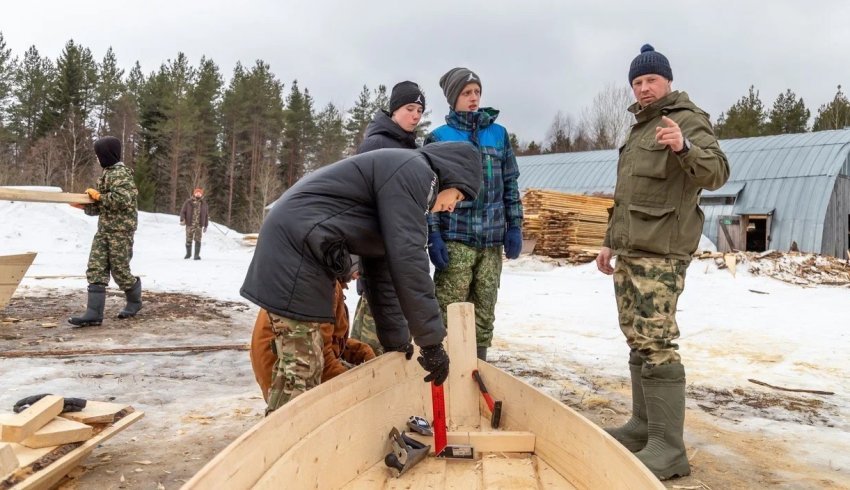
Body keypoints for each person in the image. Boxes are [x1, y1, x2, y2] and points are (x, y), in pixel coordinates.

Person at [240, 141, 482, 413]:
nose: (452, 207)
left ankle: (285, 443)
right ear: (452, 176)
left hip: (301, 246)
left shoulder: (401, 176)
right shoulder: (416, 172)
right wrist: (432, 342)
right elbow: (410, 261)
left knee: (304, 368)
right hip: (296, 250)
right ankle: (281, 448)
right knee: (302, 371)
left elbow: (384, 270)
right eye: (458, 198)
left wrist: (396, 340)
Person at [595, 44, 730, 480]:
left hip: (662, 253)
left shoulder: (687, 120)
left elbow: (717, 173)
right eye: (636, 82)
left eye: (650, 80)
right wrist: (609, 242)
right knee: (637, 338)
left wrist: (684, 146)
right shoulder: (639, 129)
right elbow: (627, 196)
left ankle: (669, 450)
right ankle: (643, 428)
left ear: (667, 81)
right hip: (632, 249)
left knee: (656, 341)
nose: (643, 88)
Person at [425, 67, 524, 362]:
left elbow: (510, 183)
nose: (473, 98)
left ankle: (477, 369)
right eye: (467, 93)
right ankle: (444, 373)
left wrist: (515, 225)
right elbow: (429, 191)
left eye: (477, 92)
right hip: (457, 238)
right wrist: (434, 234)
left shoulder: (498, 134)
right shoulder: (438, 137)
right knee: (448, 309)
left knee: (484, 311)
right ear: (453, 97)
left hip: (491, 241)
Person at [351, 80, 426, 355]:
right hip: (375, 254)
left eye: (420, 110)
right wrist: (357, 259)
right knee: (368, 343)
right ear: (394, 110)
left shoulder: (412, 149)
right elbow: (360, 205)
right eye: (409, 108)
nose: (416, 115)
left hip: (399, 256)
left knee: (394, 338)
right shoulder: (376, 144)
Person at [250, 257, 376, 407]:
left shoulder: (322, 278)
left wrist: (358, 350)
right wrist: (359, 387)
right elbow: (320, 359)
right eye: (355, 269)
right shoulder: (323, 287)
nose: (357, 277)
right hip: (283, 382)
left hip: (286, 369)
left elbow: (324, 340)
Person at [68, 136, 142, 327]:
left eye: (99, 154)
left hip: (120, 231)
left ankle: (134, 301)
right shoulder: (107, 174)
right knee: (96, 267)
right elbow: (102, 206)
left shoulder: (122, 175)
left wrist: (100, 196)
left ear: (107, 154)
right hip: (104, 230)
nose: (97, 158)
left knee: (120, 270)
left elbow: (121, 200)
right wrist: (83, 206)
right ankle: (93, 313)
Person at [180, 187, 209, 260]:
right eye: (197, 193)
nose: (198, 194)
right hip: (189, 224)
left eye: (199, 193)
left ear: (201, 194)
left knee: (198, 240)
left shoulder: (204, 204)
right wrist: (182, 219)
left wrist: (205, 226)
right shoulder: (188, 202)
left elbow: (206, 215)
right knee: (188, 239)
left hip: (199, 225)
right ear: (194, 193)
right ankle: (188, 254)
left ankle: (196, 255)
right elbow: (183, 211)